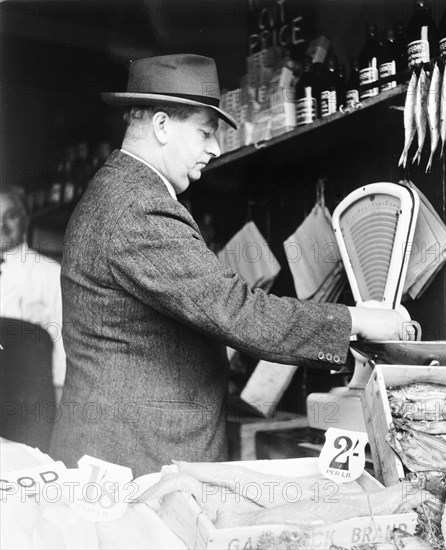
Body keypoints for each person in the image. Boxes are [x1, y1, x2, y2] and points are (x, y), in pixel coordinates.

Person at [49, 54, 410, 477]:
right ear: (162, 126)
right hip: (134, 464)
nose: (215, 148)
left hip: (123, 456)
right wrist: (357, 320)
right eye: (205, 132)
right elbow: (235, 310)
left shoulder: (119, 192)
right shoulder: (138, 207)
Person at [0, 186, 66, 402]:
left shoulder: (49, 273)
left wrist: (59, 403)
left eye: (10, 216)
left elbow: (62, 347)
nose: (1, 225)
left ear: (25, 219)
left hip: (29, 398)